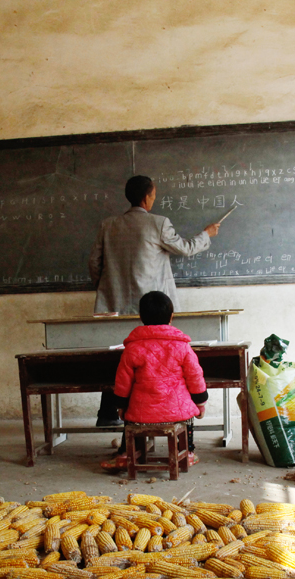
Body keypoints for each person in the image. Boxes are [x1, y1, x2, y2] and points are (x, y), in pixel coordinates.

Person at [89, 175, 219, 426]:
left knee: (118, 360)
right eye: (154, 195)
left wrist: (105, 288)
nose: (154, 199)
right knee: (158, 361)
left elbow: (94, 262)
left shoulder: (108, 225)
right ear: (146, 197)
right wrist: (206, 234)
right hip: (152, 309)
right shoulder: (158, 223)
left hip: (113, 305)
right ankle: (159, 413)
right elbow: (185, 248)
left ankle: (108, 413)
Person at [100, 291, 208, 472]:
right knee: (189, 415)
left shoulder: (132, 348)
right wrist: (201, 404)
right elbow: (195, 377)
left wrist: (121, 407)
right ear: (171, 317)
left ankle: (126, 453)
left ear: (141, 317)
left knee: (128, 416)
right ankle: (188, 452)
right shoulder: (182, 346)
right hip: (178, 412)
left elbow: (123, 382)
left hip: (141, 413)